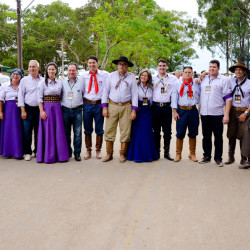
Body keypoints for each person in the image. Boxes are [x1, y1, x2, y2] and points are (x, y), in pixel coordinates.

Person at [101, 56, 138, 163]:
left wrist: (134, 110)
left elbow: (135, 95)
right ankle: (109, 153)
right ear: (117, 65)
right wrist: (104, 107)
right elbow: (105, 92)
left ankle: (123, 154)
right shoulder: (110, 76)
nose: (122, 66)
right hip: (112, 106)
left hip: (126, 106)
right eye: (120, 64)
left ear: (127, 66)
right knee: (109, 129)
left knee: (125, 131)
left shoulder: (131, 79)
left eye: (124, 64)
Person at [199, 60, 232, 167]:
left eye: (214, 67)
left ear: (218, 68)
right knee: (206, 136)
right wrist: (202, 74)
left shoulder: (223, 80)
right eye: (210, 67)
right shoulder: (203, 79)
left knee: (218, 137)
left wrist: (226, 114)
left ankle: (218, 158)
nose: (211, 69)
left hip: (217, 114)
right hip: (205, 114)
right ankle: (206, 156)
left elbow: (228, 98)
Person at [36, 62, 69, 164]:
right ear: (47, 70)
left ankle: (61, 156)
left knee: (58, 131)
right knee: (48, 132)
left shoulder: (60, 82)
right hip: (47, 109)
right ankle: (48, 156)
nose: (51, 71)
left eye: (53, 69)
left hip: (57, 109)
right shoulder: (42, 83)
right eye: (49, 69)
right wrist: (41, 111)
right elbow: (39, 98)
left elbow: (62, 95)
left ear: (56, 70)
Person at [127, 69, 159, 162]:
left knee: (147, 132)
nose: (143, 77)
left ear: (148, 77)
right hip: (138, 110)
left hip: (148, 111)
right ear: (140, 76)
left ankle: (148, 154)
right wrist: (134, 111)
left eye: (145, 76)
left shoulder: (151, 87)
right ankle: (137, 155)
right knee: (138, 133)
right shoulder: (135, 86)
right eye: (142, 75)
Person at [81, 56, 109, 160]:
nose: (92, 65)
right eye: (90, 63)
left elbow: (116, 76)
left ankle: (98, 150)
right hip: (87, 104)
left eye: (94, 63)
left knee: (99, 129)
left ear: (97, 63)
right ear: (87, 64)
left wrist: (131, 74)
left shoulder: (105, 74)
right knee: (87, 129)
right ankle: (88, 150)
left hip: (99, 105)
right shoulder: (83, 76)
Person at [151, 59, 179, 160]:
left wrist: (199, 77)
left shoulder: (173, 79)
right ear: (157, 67)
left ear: (167, 67)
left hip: (167, 108)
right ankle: (157, 152)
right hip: (155, 107)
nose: (162, 67)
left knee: (167, 131)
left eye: (164, 65)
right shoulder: (152, 78)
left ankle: (166, 152)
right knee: (156, 131)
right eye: (160, 65)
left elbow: (181, 84)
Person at [172, 66, 200, 162]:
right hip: (181, 110)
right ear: (182, 73)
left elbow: (201, 96)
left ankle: (192, 153)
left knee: (193, 132)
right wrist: (175, 112)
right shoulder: (177, 83)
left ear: (192, 73)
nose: (187, 74)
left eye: (189, 72)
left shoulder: (196, 83)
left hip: (193, 110)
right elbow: (174, 97)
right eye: (186, 72)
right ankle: (178, 154)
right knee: (180, 132)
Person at [225, 62, 250, 166]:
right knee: (231, 134)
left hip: (245, 111)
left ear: (244, 72)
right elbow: (227, 96)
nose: (238, 72)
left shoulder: (249, 83)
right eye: (236, 70)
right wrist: (205, 73)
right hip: (233, 110)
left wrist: (246, 113)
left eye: (240, 70)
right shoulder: (230, 81)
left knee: (243, 135)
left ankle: (243, 158)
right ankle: (231, 157)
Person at [18, 60, 43, 161]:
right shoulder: (24, 81)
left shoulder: (43, 80)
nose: (32, 68)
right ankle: (27, 152)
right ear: (28, 69)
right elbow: (20, 95)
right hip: (28, 108)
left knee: (39, 131)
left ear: (38, 68)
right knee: (27, 131)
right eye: (30, 67)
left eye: (34, 66)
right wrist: (23, 110)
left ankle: (37, 151)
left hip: (39, 109)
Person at [61, 62, 84, 161]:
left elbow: (84, 94)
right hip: (65, 110)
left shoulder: (81, 81)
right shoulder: (62, 82)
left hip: (77, 111)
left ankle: (77, 153)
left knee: (78, 133)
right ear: (67, 71)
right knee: (66, 133)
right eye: (70, 70)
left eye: (73, 70)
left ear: (76, 71)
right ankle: (68, 152)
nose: (71, 72)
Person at [0, 69, 23, 158]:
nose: (15, 76)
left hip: (19, 109)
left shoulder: (22, 86)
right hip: (8, 110)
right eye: (14, 74)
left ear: (21, 76)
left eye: (18, 74)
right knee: (8, 131)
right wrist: (0, 112)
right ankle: (7, 152)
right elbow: (1, 100)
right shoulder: (5, 86)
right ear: (11, 75)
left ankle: (18, 152)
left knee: (18, 131)